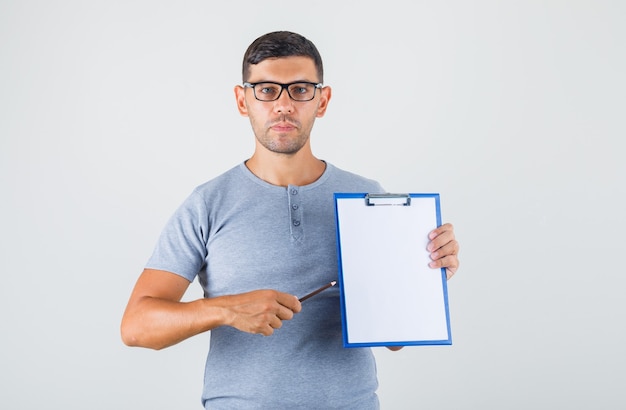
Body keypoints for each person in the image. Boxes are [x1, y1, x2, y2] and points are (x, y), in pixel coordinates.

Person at [121, 30, 460, 409]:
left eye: (300, 89)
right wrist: (225, 309)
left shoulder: (368, 198)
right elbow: (136, 327)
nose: (283, 105)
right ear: (242, 99)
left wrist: (425, 276)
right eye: (266, 89)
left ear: (322, 99)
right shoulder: (207, 203)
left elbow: (395, 338)